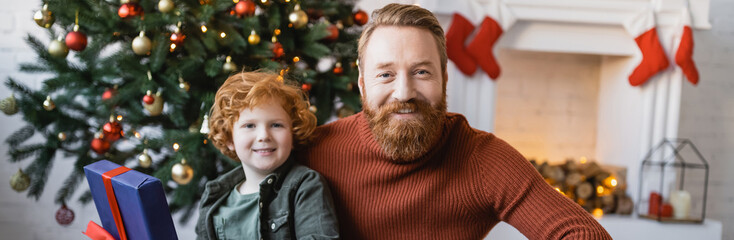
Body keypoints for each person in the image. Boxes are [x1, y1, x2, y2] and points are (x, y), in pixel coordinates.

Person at [299, 3, 612, 239]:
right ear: (363, 82)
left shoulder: (481, 158)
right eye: (385, 74)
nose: (404, 92)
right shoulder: (315, 151)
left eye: (421, 72)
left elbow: (585, 234)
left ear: (444, 79)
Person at [196, 71, 339, 240]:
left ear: (293, 134)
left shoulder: (304, 185)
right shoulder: (216, 195)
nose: (264, 135)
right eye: (249, 126)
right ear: (229, 138)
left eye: (276, 125)